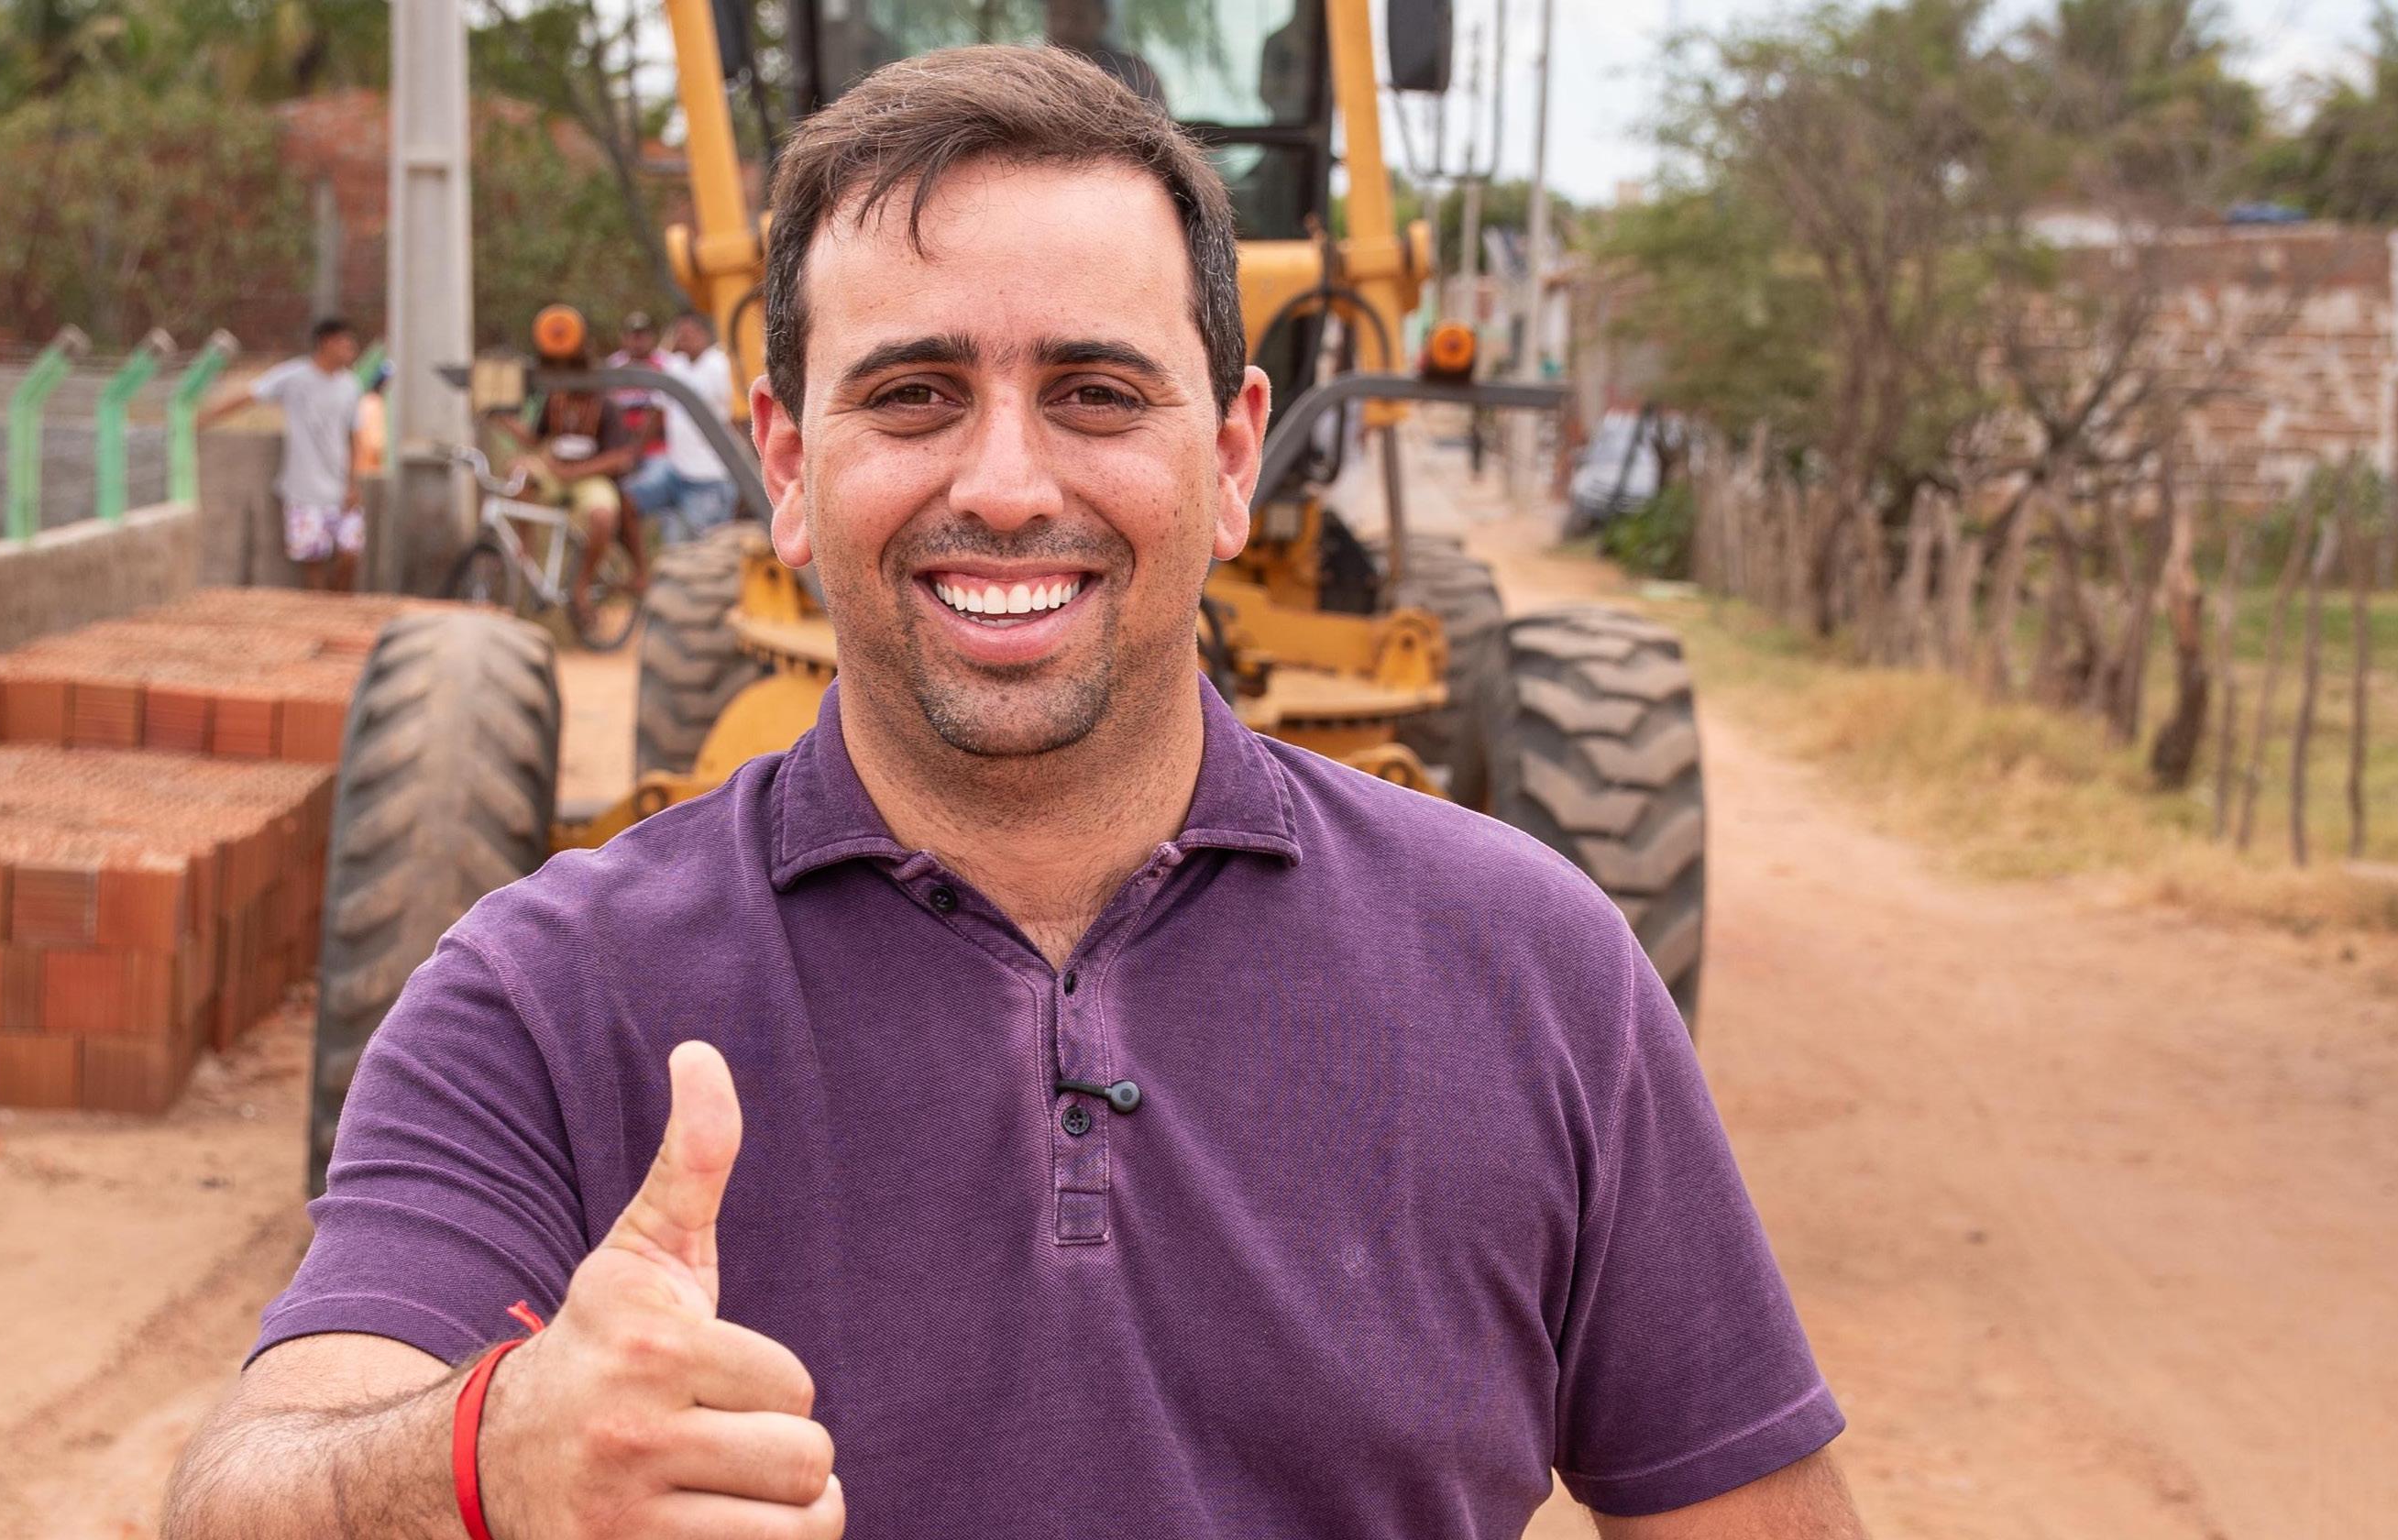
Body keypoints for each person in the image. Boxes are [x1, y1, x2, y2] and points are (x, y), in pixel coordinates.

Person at [164, 46, 1863, 1540]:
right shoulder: (545, 998)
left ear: (1231, 453)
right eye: (912, 395)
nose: (1001, 482)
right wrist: (483, 1458)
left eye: (1095, 394)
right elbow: (246, 1489)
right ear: (784, 461)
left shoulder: (1536, 971)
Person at [489, 323, 648, 613]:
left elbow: (620, 457)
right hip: (556, 473)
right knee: (518, 473)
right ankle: (526, 547)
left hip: (589, 479)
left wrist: (577, 472)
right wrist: (503, 419)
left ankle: (582, 585)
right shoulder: (556, 400)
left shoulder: (605, 405)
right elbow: (535, 439)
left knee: (603, 517)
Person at [201, 317, 367, 591]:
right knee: (313, 558)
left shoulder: (351, 385)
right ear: (326, 343)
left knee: (350, 553)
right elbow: (250, 395)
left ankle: (338, 606)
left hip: (339, 486)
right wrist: (200, 419)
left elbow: (355, 436)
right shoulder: (294, 376)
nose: (351, 348)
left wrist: (353, 482)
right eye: (344, 342)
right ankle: (318, 609)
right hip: (303, 488)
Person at [618, 311, 739, 544]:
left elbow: (737, 419)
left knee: (703, 547)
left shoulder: (721, 366)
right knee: (627, 499)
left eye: (688, 333)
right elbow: (657, 412)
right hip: (676, 470)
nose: (683, 338)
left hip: (710, 477)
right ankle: (638, 563)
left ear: (704, 334)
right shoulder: (674, 366)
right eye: (680, 333)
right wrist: (635, 454)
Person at [1045, 0, 1164, 107]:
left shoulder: (1135, 72)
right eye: (1056, 15)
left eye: (1078, 17)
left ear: (1103, 18)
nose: (1065, 26)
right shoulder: (1038, 71)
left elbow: (1157, 120)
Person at [606, 311, 669, 465]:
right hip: (619, 443)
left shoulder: (667, 363)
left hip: (659, 446)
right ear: (623, 338)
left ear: (652, 337)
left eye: (643, 336)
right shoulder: (613, 365)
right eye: (633, 336)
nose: (638, 341)